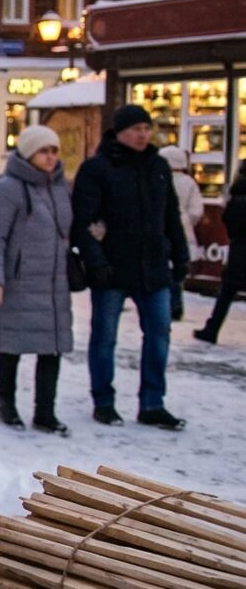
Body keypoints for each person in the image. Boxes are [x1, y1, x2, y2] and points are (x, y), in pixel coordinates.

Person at [73, 104, 189, 429]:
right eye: (136, 128)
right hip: (112, 270)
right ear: (120, 131)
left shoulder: (158, 166)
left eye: (146, 128)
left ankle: (153, 403)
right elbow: (83, 221)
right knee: (105, 337)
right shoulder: (98, 169)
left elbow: (171, 218)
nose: (142, 134)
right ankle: (104, 401)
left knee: (159, 335)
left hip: (153, 269)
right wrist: (96, 262)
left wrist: (180, 258)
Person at [0, 125, 74, 434]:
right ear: (28, 153)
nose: (50, 157)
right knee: (11, 347)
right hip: (17, 282)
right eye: (43, 151)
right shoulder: (9, 188)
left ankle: (45, 412)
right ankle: (7, 406)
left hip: (53, 284)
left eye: (54, 151)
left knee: (52, 349)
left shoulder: (60, 186)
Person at [193, 171, 246, 344]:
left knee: (226, 293)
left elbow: (228, 221)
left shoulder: (237, 197)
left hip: (239, 250)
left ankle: (212, 328)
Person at [159, 146, 204, 321]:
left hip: (160, 229)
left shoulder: (158, 178)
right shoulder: (189, 182)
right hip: (182, 228)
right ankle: (176, 304)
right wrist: (186, 220)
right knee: (178, 268)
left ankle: (164, 304)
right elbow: (196, 211)